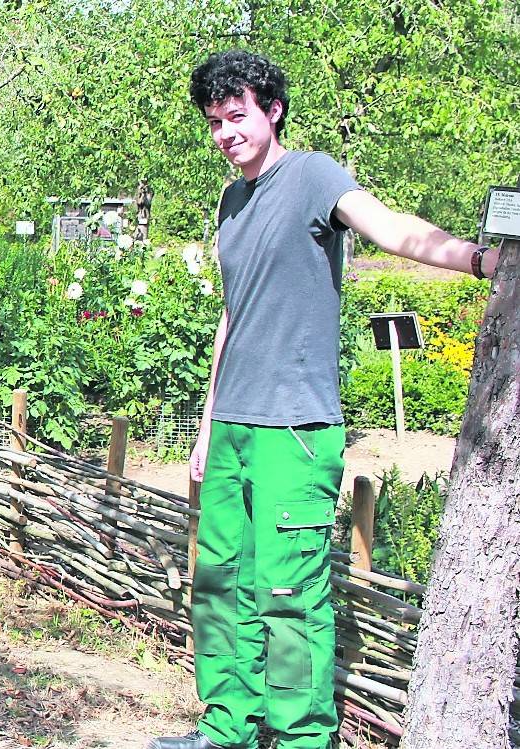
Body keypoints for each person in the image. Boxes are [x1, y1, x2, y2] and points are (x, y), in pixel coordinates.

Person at [148, 51, 500, 749]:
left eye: (237, 116)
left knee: (288, 592)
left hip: (296, 428)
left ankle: (302, 737)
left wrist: (479, 260)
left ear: (272, 109)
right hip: (234, 424)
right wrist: (207, 422)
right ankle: (227, 726)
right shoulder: (231, 201)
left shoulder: (313, 176)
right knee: (220, 584)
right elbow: (233, 315)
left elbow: (391, 227)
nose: (226, 133)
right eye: (215, 122)